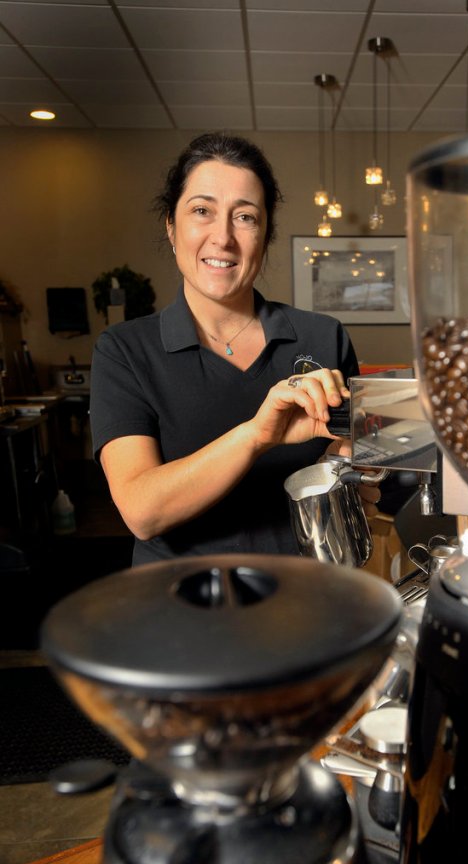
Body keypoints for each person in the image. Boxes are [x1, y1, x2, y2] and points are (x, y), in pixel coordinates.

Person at [90, 132, 379, 565]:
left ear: (264, 236)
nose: (223, 237)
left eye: (245, 217)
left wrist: (353, 473)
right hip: (180, 610)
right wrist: (257, 436)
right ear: (171, 226)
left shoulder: (324, 337)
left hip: (308, 601)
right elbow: (142, 512)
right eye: (202, 211)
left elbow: (353, 465)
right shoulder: (125, 350)